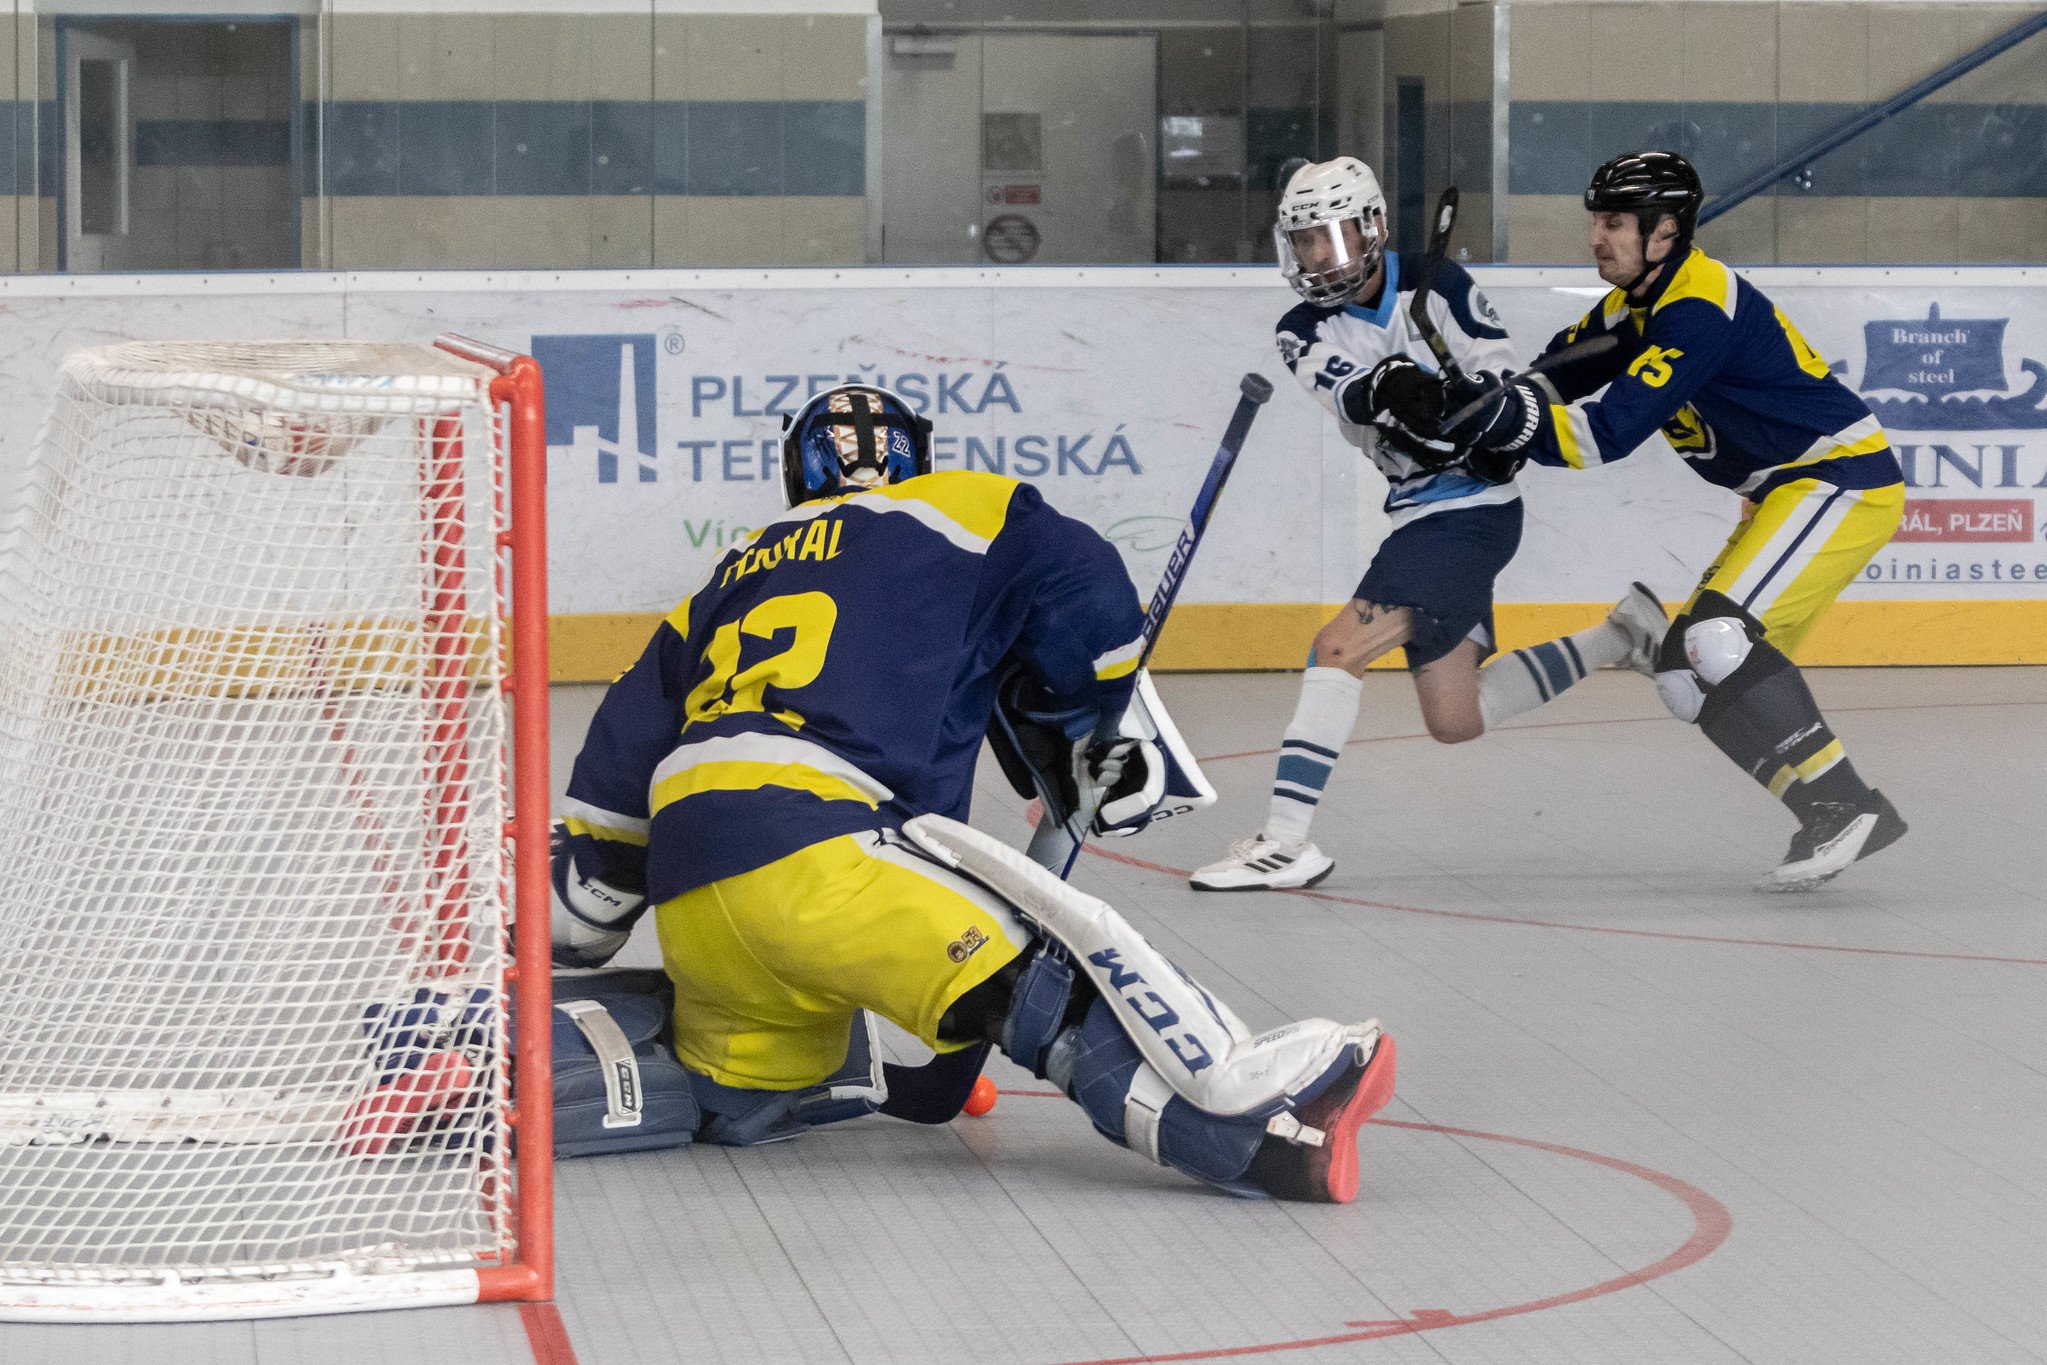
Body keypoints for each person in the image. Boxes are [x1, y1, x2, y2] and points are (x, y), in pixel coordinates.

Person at [547, 383, 1398, 1201]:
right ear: (916, 456)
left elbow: (613, 792)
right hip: (823, 857)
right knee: (1038, 983)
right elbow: (1090, 588)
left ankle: (744, 1084)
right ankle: (1249, 1134)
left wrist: (591, 919)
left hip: (695, 899)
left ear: (793, 472)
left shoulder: (721, 580)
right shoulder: (967, 505)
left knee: (746, 1089)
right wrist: (1083, 709)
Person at [1432, 150, 1907, 891]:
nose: (1596, 236)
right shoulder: (1634, 306)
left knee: (1717, 639)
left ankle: (1850, 803)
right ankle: (1819, 808)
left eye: (1615, 222)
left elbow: (1605, 432)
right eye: (1596, 219)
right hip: (1782, 490)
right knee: (1682, 672)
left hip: (1837, 478)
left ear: (1664, 232)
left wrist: (1507, 428)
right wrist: (1479, 408)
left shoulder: (1695, 308)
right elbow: (1553, 375)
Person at [1191, 157, 1667, 893]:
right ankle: (1623, 631)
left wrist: (1473, 406)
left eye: (1330, 235)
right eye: (1304, 240)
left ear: (1371, 226)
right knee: (1455, 715)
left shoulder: (1438, 285)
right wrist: (1393, 384)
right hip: (1423, 511)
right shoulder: (1299, 328)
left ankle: (1285, 841)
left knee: (1336, 647)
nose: (1317, 254)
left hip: (1467, 516)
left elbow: (1500, 377)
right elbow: (1351, 395)